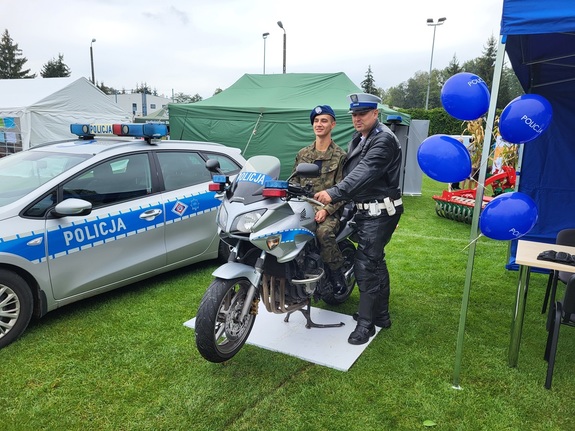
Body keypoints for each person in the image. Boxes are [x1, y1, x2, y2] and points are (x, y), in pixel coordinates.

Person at [314, 93, 403, 345]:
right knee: (376, 262)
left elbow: (364, 173)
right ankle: (381, 315)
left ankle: (366, 325)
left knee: (365, 265)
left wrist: (333, 193)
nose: (357, 119)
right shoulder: (361, 137)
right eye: (353, 115)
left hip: (380, 211)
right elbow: (351, 172)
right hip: (365, 209)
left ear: (375, 113)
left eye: (362, 114)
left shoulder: (383, 139)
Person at [291, 105, 347, 294]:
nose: (319, 124)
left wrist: (326, 210)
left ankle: (336, 273)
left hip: (327, 209)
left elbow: (344, 190)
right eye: (316, 121)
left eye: (324, 120)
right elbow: (294, 181)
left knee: (323, 233)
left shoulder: (340, 156)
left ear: (333, 124)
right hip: (302, 207)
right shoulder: (303, 154)